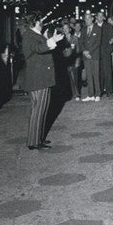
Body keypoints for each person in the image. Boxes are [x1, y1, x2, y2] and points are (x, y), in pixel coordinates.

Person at [18, 13, 62, 150]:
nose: (43, 22)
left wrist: (49, 39)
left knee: (40, 109)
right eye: (41, 20)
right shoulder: (30, 35)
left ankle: (37, 138)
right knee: (38, 109)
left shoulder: (34, 34)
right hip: (39, 79)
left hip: (41, 77)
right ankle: (34, 142)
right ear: (36, 21)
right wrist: (52, 40)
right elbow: (39, 48)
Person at [79, 11, 103, 101]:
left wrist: (89, 52)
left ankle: (98, 94)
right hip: (86, 56)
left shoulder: (98, 28)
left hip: (94, 55)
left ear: (92, 19)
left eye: (89, 18)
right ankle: (90, 94)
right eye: (85, 19)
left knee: (95, 75)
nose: (87, 20)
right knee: (88, 76)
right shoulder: (83, 29)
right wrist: (84, 51)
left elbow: (98, 43)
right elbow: (81, 42)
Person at [99, 10, 113, 96]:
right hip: (97, 53)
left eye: (101, 16)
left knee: (108, 71)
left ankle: (109, 90)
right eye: (98, 16)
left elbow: (111, 39)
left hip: (106, 52)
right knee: (100, 72)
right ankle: (101, 89)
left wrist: (108, 51)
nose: (100, 18)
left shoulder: (108, 26)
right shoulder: (94, 26)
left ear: (103, 17)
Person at [65, 21, 83, 101]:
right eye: (64, 28)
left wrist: (77, 62)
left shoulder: (74, 38)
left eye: (67, 28)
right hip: (65, 63)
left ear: (69, 29)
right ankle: (70, 94)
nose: (65, 30)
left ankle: (77, 94)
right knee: (67, 79)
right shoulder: (61, 39)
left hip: (73, 61)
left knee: (75, 78)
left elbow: (78, 50)